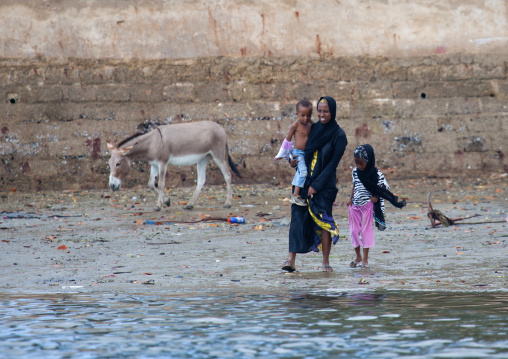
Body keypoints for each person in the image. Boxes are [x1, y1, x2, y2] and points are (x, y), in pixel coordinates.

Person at [281, 96, 348, 273]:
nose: (322, 114)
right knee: (297, 219)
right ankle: (291, 261)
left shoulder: (339, 136)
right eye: (319, 111)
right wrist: (292, 162)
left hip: (325, 186)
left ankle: (325, 263)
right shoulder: (312, 128)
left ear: (332, 111)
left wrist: (316, 186)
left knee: (324, 221)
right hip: (303, 181)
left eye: (326, 111)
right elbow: (300, 150)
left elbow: (332, 164)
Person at [346, 144, 407, 268]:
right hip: (354, 205)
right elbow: (354, 185)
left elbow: (383, 187)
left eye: (361, 163)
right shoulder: (355, 172)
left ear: (368, 161)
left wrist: (376, 197)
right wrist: (350, 198)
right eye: (357, 163)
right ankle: (358, 255)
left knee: (365, 230)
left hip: (367, 205)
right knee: (353, 231)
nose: (359, 166)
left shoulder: (376, 173)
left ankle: (365, 260)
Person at [274, 99, 313, 206]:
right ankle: (295, 195)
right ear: (297, 114)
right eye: (302, 115)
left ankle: (297, 195)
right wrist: (282, 154)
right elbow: (287, 141)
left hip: (307, 153)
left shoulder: (311, 124)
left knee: (301, 172)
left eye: (308, 115)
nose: (305, 118)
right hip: (298, 153)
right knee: (303, 172)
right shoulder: (295, 126)